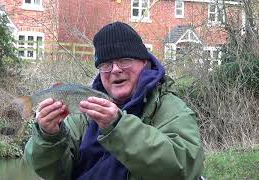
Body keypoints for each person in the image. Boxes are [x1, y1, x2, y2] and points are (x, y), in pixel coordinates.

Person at [24, 21, 205, 180]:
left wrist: (118, 126)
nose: (115, 70)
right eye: (106, 64)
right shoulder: (82, 110)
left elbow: (184, 169)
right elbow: (53, 173)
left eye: (125, 60)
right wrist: (49, 137)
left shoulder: (171, 109)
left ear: (145, 62)